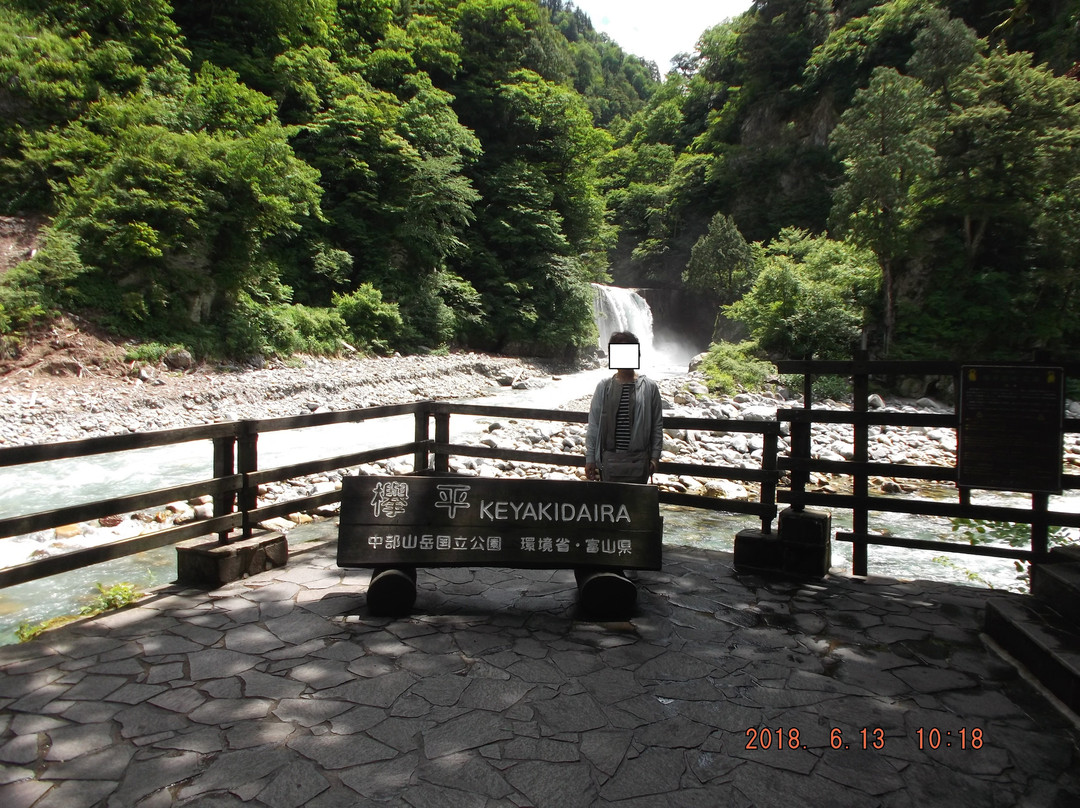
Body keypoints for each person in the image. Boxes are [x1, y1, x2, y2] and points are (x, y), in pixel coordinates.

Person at [584, 332, 663, 484]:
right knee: (612, 506)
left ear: (637, 354)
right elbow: (593, 424)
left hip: (639, 462)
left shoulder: (650, 387)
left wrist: (654, 457)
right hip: (609, 461)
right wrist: (590, 458)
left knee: (636, 507)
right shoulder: (604, 387)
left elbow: (657, 425)